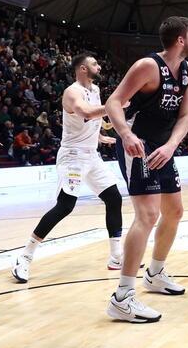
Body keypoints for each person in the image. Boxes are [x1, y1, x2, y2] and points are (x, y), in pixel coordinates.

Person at [104, 17, 188, 323]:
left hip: (163, 147)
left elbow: (185, 116)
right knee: (147, 215)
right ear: (181, 39)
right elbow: (114, 101)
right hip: (138, 145)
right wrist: (126, 135)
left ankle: (155, 273)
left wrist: (172, 146)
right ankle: (122, 297)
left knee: (174, 212)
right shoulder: (147, 66)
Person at [11, 53, 125, 283]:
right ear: (82, 68)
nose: (99, 65)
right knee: (65, 206)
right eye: (95, 63)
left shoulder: (95, 90)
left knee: (114, 198)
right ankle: (24, 256)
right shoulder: (72, 92)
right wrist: (115, 106)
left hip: (91, 156)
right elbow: (86, 113)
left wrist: (101, 136)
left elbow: (92, 121)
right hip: (73, 157)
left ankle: (116, 257)